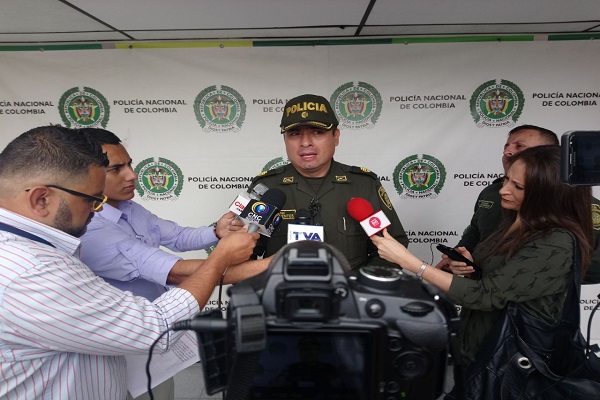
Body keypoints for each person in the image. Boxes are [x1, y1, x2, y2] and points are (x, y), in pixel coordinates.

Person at [0, 125, 259, 400]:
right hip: (137, 353)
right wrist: (228, 258)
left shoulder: (35, 249)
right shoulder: (33, 271)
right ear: (41, 199)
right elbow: (155, 325)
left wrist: (216, 233)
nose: (96, 209)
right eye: (92, 200)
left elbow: (176, 235)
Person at [77, 127, 268, 400]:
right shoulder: (91, 228)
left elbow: (176, 236)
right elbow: (176, 273)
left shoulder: (130, 208)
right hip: (124, 350)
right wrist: (276, 264)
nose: (132, 175)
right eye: (116, 169)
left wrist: (216, 232)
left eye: (130, 164)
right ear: (87, 175)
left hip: (155, 347)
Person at [371, 145, 593, 374]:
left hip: (510, 369)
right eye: (507, 179)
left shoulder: (555, 242)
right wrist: (472, 269)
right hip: (477, 356)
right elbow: (502, 285)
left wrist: (411, 263)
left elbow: (485, 296)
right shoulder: (512, 223)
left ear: (547, 195)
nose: (503, 190)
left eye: (517, 186)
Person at [248, 93, 409, 269]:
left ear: (336, 136)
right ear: (285, 140)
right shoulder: (265, 188)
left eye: (317, 132)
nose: (305, 142)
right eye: (295, 134)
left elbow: (392, 248)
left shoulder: (363, 185)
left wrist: (359, 283)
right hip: (281, 286)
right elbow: (241, 255)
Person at [437, 124, 600, 283]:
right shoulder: (491, 192)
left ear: (547, 154)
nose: (507, 151)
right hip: (481, 291)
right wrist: (459, 257)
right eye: (506, 146)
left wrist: (543, 276)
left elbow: (595, 266)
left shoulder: (579, 205)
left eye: (519, 146)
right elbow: (475, 231)